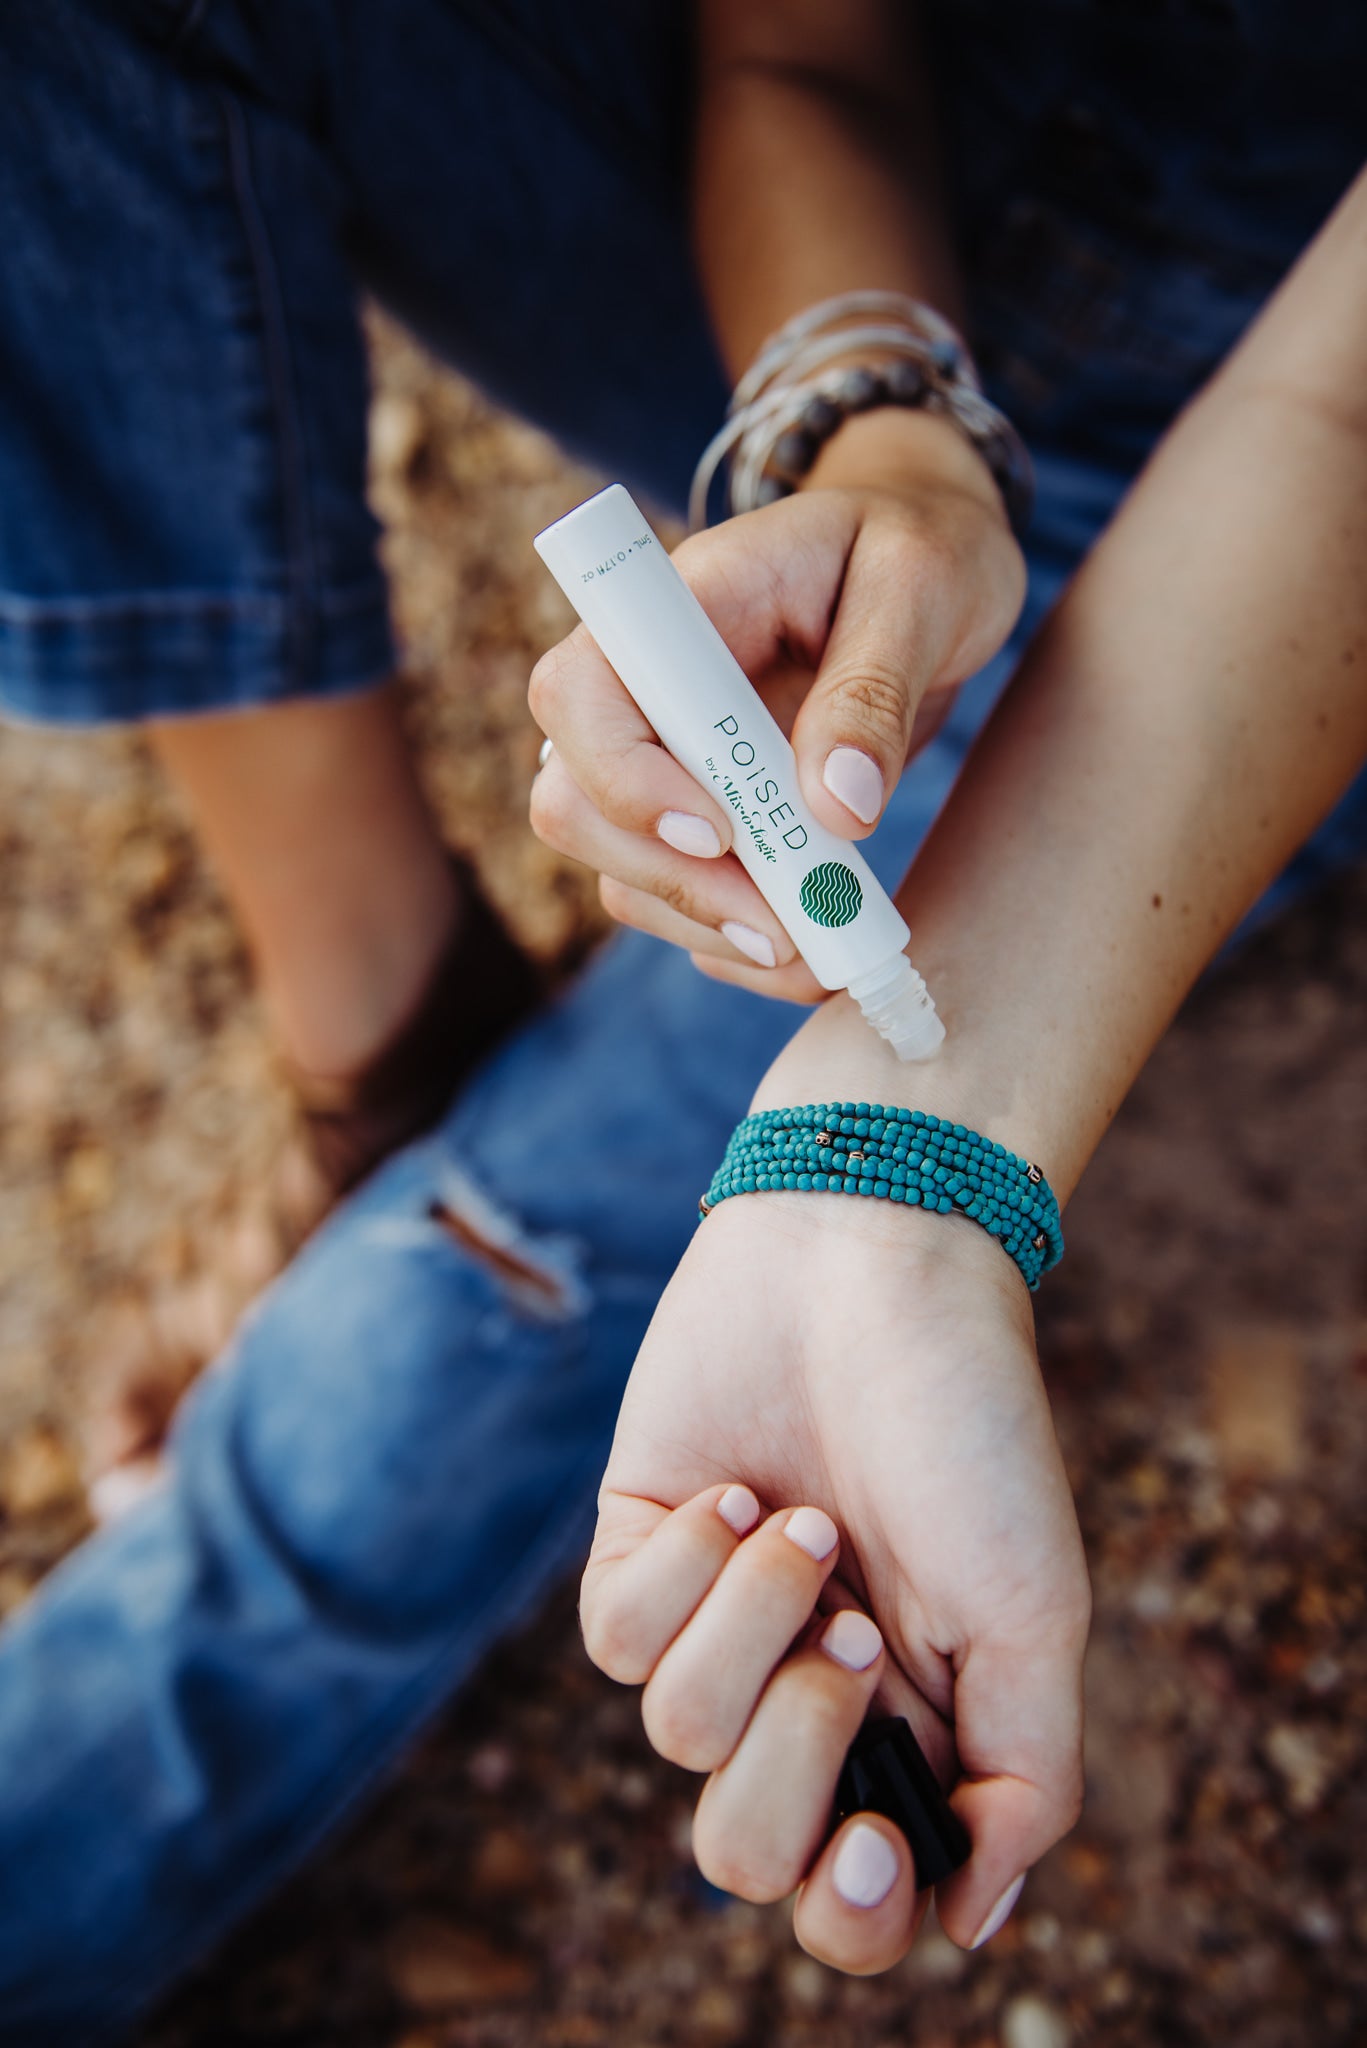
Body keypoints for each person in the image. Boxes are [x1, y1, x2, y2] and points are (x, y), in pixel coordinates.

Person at [0, 0, 1364, 2036]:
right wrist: (881, 437)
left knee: (520, 1303)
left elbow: (1335, 432)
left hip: (1275, 586)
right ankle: (386, 1022)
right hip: (910, 280)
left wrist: (915, 1173)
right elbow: (803, 43)